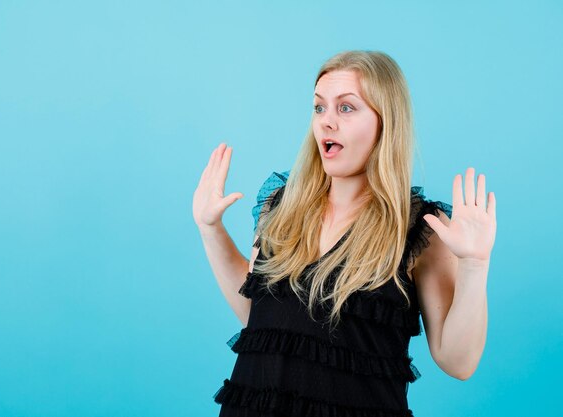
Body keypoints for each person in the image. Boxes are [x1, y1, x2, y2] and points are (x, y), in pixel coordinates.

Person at [193, 50, 497, 417]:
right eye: (319, 107)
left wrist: (475, 265)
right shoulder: (282, 206)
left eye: (346, 108)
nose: (326, 122)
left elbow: (457, 362)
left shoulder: (421, 230)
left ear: (386, 123)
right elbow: (257, 317)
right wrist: (211, 229)